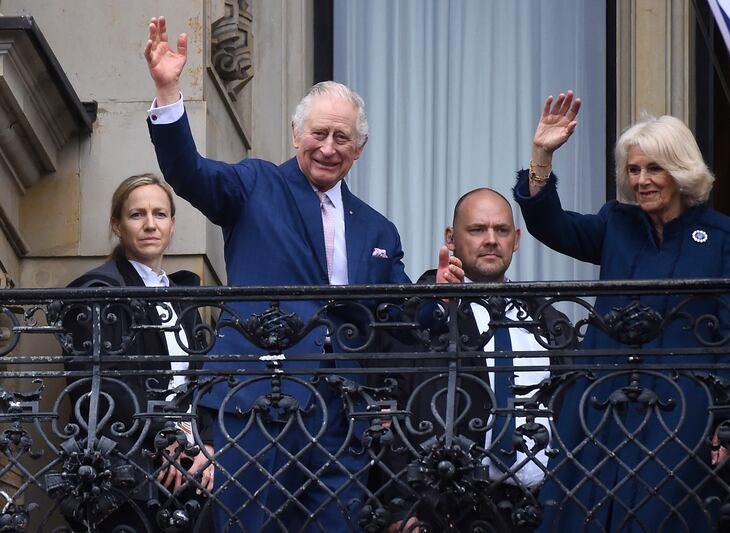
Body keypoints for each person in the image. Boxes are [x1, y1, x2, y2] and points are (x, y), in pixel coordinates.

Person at [143, 16, 462, 532]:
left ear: (357, 149)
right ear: (297, 134)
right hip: (254, 399)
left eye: (342, 137)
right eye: (319, 133)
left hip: (340, 413)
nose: (328, 147)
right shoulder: (255, 185)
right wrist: (167, 91)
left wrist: (441, 293)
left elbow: (403, 311)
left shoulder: (378, 229)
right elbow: (189, 172)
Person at [512, 92, 730, 532]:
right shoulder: (616, 223)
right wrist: (542, 156)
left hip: (680, 408)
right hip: (601, 403)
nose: (642, 179)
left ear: (681, 170)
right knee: (578, 513)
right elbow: (551, 225)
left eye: (654, 167)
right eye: (634, 169)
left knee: (658, 515)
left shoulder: (728, 236)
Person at [379, 188, 575, 532]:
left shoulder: (546, 317)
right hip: (444, 509)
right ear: (451, 238)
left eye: (500, 231)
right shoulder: (423, 315)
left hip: (538, 509)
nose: (490, 240)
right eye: (477, 229)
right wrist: (399, 510)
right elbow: (388, 409)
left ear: (516, 240)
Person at [60, 174, 214, 532]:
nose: (150, 225)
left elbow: (209, 379)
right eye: (137, 215)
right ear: (117, 225)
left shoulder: (184, 296)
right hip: (128, 461)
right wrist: (165, 439)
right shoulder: (98, 289)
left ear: (172, 225)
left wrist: (209, 446)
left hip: (191, 460)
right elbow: (101, 381)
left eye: (160, 214)